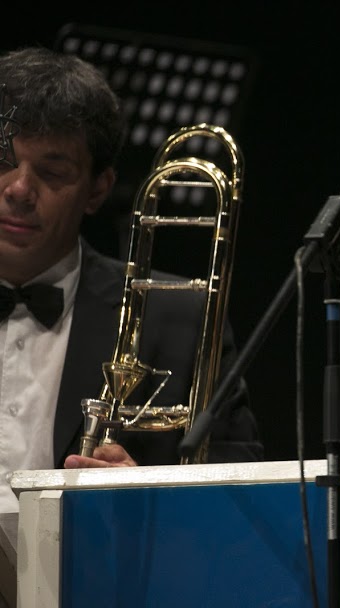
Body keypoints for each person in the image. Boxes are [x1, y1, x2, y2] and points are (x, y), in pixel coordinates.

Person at [0, 46, 263, 515]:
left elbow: (244, 491)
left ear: (97, 190)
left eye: (52, 172)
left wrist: (150, 494)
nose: (19, 189)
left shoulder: (179, 319)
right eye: (4, 161)